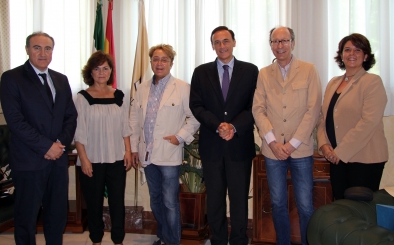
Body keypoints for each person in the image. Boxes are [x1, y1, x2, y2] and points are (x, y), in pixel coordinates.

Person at [0, 32, 77, 245]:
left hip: (57, 160)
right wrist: (46, 146)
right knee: (26, 218)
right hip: (29, 160)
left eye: (48, 48)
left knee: (57, 215)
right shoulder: (11, 78)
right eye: (37, 48)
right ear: (27, 49)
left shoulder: (61, 79)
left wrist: (59, 145)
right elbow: (15, 122)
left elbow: (70, 116)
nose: (43, 53)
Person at [252, 26, 322, 245]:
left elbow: (313, 110)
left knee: (305, 205)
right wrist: (272, 142)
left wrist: (291, 144)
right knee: (278, 203)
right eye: (275, 42)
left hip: (300, 149)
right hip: (273, 151)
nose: (279, 46)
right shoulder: (264, 73)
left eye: (284, 41)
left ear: (293, 42)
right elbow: (258, 109)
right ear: (270, 45)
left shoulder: (309, 70)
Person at [189, 26, 258, 245]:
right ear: (212, 46)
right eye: (217, 42)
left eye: (226, 41)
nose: (222, 46)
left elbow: (255, 106)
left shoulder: (251, 71)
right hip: (212, 146)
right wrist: (218, 125)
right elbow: (196, 105)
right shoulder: (201, 72)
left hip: (239, 145)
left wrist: (234, 127)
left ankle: (239, 240)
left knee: (239, 199)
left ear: (234, 42)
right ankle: (218, 240)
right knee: (215, 199)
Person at [130, 44, 199, 245]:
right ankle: (163, 237)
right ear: (151, 62)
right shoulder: (141, 88)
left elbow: (194, 117)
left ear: (171, 63)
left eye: (164, 60)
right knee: (156, 200)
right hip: (147, 153)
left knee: (170, 202)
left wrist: (180, 136)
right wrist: (134, 148)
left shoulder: (183, 87)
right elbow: (134, 120)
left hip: (169, 153)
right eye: (156, 59)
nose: (159, 63)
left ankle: (172, 241)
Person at [317, 33, 388, 200]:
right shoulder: (333, 83)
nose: (352, 54)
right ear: (341, 55)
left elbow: (369, 122)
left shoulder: (372, 82)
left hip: (364, 159)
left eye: (357, 50)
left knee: (359, 213)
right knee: (342, 208)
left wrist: (340, 152)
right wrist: (324, 145)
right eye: (347, 49)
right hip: (336, 158)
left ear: (366, 56)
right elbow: (322, 117)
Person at [74, 51, 132, 245]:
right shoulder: (82, 98)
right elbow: (79, 132)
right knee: (94, 204)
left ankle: (118, 240)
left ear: (111, 71)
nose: (101, 72)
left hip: (116, 158)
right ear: (90, 72)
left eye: (105, 68)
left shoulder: (120, 95)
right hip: (92, 159)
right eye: (97, 68)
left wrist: (128, 151)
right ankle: (96, 240)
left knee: (117, 203)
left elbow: (125, 126)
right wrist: (84, 159)